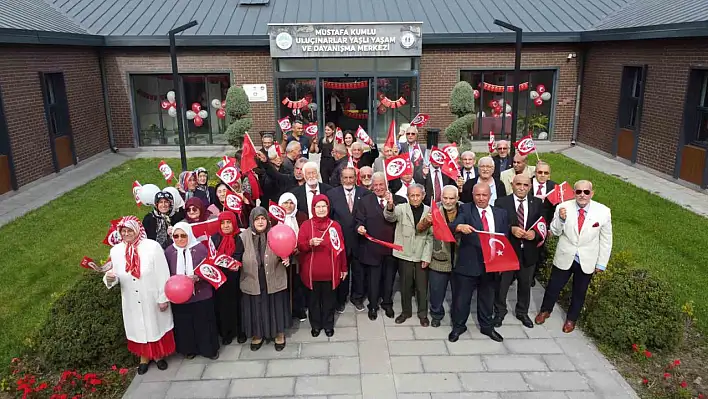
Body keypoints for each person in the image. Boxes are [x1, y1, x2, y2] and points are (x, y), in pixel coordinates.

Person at [535, 180, 613, 333]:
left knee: (579, 291)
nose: (582, 195)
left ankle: (571, 319)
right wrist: (561, 219)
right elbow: (555, 231)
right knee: (553, 287)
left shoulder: (603, 211)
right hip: (565, 254)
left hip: (587, 258)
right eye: (578, 192)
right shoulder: (563, 207)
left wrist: (601, 263)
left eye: (586, 192)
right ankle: (545, 311)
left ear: (592, 193)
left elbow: (606, 239)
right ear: (574, 193)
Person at [103, 216, 174, 375]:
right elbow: (114, 274)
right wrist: (109, 279)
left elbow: (163, 273)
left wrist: (163, 297)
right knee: (139, 327)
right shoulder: (116, 251)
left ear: (137, 230)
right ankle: (144, 358)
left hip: (151, 295)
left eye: (129, 230)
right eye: (123, 231)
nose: (127, 233)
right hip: (131, 298)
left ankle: (157, 356)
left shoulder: (152, 247)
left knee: (154, 325)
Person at [448, 183, 509, 343]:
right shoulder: (466, 210)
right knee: (462, 299)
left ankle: (487, 326)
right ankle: (458, 326)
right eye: (477, 195)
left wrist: (502, 262)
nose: (481, 198)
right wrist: (459, 226)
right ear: (473, 195)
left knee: (487, 298)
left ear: (490, 196)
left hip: (491, 265)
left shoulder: (501, 213)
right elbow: (454, 224)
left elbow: (505, 239)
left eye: (484, 195)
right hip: (469, 263)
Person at [234, 207, 292, 351]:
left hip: (273, 276)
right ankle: (258, 334)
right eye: (257, 219)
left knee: (275, 305)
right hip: (253, 279)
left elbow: (286, 249)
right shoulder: (243, 237)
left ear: (267, 220)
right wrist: (234, 264)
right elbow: (237, 256)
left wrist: (287, 257)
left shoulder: (275, 233)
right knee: (256, 307)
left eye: (263, 219)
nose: (260, 222)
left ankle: (279, 333)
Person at [354, 172, 407, 320]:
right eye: (375, 185)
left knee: (389, 278)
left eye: (381, 184)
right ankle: (373, 306)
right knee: (373, 280)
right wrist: (359, 227)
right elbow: (358, 220)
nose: (378, 188)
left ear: (386, 185)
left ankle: (387, 303)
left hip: (392, 248)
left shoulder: (400, 200)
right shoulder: (365, 201)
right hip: (372, 249)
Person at [493, 175, 543, 329]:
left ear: (530, 187)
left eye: (526, 185)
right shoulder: (501, 202)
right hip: (508, 251)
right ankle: (500, 311)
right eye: (518, 184)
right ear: (512, 184)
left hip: (528, 251)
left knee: (525, 283)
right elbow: (496, 224)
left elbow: (542, 223)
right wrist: (511, 229)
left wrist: (535, 234)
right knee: (502, 284)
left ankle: (522, 312)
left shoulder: (537, 202)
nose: (522, 188)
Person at [165, 222, 220, 360]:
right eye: (176, 236)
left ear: (189, 235)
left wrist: (197, 277)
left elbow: (210, 269)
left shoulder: (200, 249)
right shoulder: (169, 251)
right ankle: (189, 349)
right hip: (178, 296)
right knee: (184, 323)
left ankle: (208, 349)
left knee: (204, 322)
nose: (179, 239)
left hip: (201, 293)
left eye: (183, 235)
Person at [297, 195, 348, 337]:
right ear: (313, 208)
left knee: (329, 301)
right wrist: (310, 243)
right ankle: (315, 325)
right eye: (318, 207)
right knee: (313, 302)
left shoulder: (335, 226)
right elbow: (300, 246)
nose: (321, 209)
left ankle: (328, 325)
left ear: (328, 208)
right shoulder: (306, 225)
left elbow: (341, 248)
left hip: (330, 271)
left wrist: (343, 267)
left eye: (323, 206)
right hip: (311, 272)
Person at [384, 183, 433, 326]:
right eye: (412, 195)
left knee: (422, 287)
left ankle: (423, 313)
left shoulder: (429, 212)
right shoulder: (401, 209)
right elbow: (390, 217)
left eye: (418, 195)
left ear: (423, 196)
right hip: (404, 254)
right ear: (408, 196)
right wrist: (390, 205)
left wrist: (426, 256)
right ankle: (406, 311)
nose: (415, 198)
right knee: (405, 285)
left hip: (420, 254)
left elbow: (430, 237)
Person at [416, 185, 461, 328]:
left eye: (451, 198)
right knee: (436, 291)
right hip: (439, 258)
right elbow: (419, 228)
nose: (448, 201)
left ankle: (457, 316)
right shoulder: (434, 210)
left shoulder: (464, 209)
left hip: (460, 259)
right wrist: (426, 221)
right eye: (445, 198)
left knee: (459, 293)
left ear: (457, 198)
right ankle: (436, 314)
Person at [327, 167, 369, 312]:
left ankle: (357, 297)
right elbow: (330, 218)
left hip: (359, 240)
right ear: (341, 179)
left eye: (351, 177)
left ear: (355, 178)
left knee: (359, 272)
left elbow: (367, 215)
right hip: (341, 241)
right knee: (342, 272)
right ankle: (341, 299)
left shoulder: (365, 193)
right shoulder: (332, 194)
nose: (348, 180)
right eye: (345, 177)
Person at [210, 211, 247, 345]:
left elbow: (239, 255)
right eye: (222, 223)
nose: (225, 226)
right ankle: (226, 333)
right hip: (220, 279)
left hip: (236, 277)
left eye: (228, 222)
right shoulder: (214, 238)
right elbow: (211, 256)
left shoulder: (240, 237)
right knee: (223, 306)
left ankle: (240, 331)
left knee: (238, 305)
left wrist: (229, 262)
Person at [276, 192, 309, 322]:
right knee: (283, 285)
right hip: (279, 258)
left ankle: (298, 309)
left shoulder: (301, 216)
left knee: (297, 284)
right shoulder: (275, 218)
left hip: (297, 256)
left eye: (291, 203)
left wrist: (296, 248)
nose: (288, 206)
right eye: (285, 203)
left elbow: (305, 234)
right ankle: (285, 312)